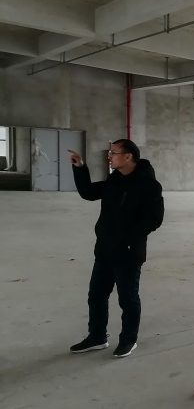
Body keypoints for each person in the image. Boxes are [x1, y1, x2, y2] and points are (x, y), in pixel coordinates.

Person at [68, 140, 164, 358]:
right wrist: (80, 167)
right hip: (105, 249)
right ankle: (97, 337)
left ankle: (129, 340)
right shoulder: (115, 180)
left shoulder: (149, 185)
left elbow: (154, 219)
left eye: (114, 152)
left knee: (127, 298)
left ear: (128, 157)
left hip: (129, 252)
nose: (109, 156)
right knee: (96, 295)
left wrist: (127, 237)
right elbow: (89, 193)